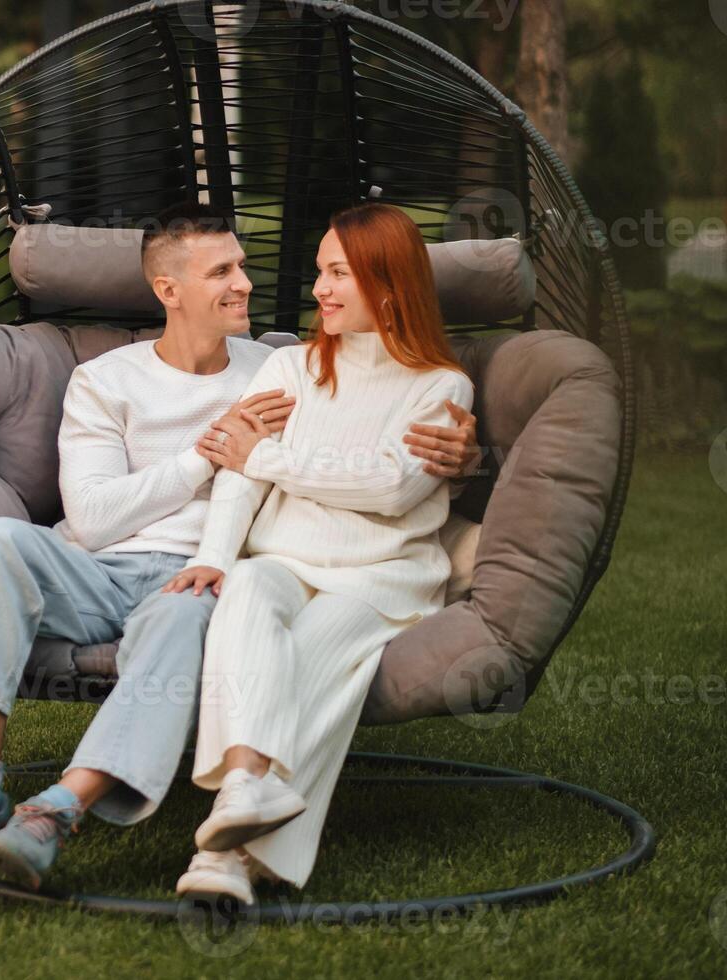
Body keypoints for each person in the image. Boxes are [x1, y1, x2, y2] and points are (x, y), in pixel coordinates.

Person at [0, 201, 477, 891]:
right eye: (222, 271)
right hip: (98, 566)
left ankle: (59, 809)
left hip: (201, 578)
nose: (245, 284)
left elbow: (372, 408)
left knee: (188, 610)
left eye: (242, 267)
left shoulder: (275, 362)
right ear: (170, 291)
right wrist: (207, 454)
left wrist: (459, 457)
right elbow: (96, 519)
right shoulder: (106, 380)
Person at [166, 202, 474, 904]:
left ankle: (230, 856)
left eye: (338, 274)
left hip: (381, 581)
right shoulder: (290, 366)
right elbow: (237, 473)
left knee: (307, 660)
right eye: (319, 273)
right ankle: (244, 783)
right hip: (281, 559)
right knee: (242, 598)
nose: (319, 290)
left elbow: (392, 488)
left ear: (389, 287)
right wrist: (217, 556)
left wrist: (271, 454)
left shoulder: (441, 388)